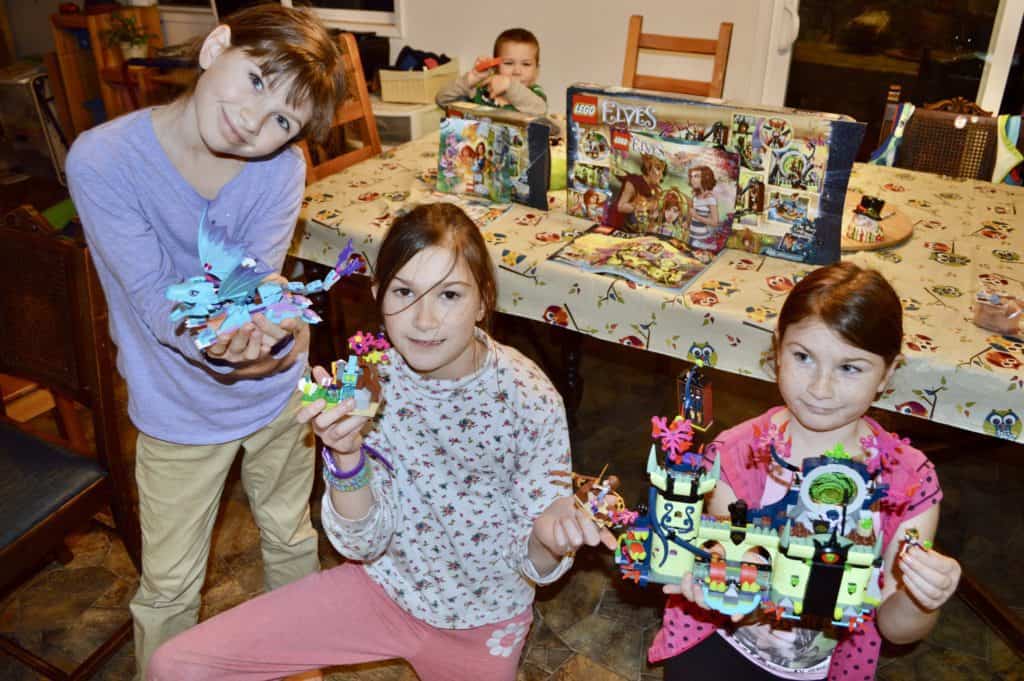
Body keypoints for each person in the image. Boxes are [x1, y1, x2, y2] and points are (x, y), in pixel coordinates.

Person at [147, 202, 614, 681]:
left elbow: (533, 564)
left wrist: (548, 539)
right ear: (377, 294)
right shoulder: (368, 381)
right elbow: (363, 542)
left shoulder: (529, 397)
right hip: (381, 592)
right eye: (404, 292)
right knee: (175, 665)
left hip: (482, 624)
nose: (424, 320)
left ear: (484, 300)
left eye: (449, 294)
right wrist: (346, 458)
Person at [64, 5, 345, 676]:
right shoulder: (102, 159)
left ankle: (298, 667)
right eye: (254, 80)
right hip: (176, 408)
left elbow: (252, 279)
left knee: (290, 535)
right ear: (217, 45)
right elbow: (156, 296)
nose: (256, 121)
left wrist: (262, 334)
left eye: (284, 120)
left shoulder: (281, 168)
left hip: (279, 394)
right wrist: (222, 343)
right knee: (167, 586)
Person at [649, 262, 962, 680]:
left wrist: (924, 598)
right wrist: (716, 581)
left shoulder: (908, 482)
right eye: (803, 357)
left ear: (888, 372)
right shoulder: (737, 453)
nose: (820, 388)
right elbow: (732, 566)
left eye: (850, 367)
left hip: (826, 670)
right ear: (778, 349)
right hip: (719, 644)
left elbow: (897, 630)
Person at [435, 27, 547, 115]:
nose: (517, 71)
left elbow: (540, 111)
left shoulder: (534, 95)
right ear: (496, 67)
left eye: (526, 64)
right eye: (508, 63)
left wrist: (510, 86)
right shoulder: (478, 92)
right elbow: (442, 100)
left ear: (536, 71)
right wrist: (469, 79)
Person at [606, 153, 667, 232]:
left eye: (663, 172)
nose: (660, 175)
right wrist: (646, 206)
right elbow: (620, 207)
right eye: (658, 169)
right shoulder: (633, 182)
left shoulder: (657, 189)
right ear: (648, 168)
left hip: (638, 229)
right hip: (618, 225)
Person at [686, 165, 721, 251]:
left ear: (705, 178)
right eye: (692, 176)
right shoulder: (695, 196)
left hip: (701, 240)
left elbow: (715, 222)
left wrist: (696, 216)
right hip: (690, 237)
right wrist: (687, 222)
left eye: (696, 176)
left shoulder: (710, 198)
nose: (692, 179)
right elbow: (691, 215)